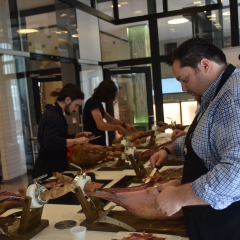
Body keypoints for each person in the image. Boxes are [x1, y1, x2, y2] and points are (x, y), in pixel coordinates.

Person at [150, 38, 240, 240]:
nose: (183, 87)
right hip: (208, 217)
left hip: (228, 223)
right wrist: (169, 149)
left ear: (205, 65)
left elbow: (236, 172)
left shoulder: (233, 96)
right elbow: (204, 138)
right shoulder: (213, 95)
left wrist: (178, 196)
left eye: (184, 79)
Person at [33, 83, 92, 179]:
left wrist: (76, 135)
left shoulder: (58, 114)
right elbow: (51, 141)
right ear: (67, 100)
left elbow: (60, 137)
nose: (76, 109)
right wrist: (76, 141)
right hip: (48, 168)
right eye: (76, 105)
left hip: (55, 165)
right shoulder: (53, 116)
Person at [83, 80, 136, 146]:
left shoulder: (97, 102)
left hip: (99, 141)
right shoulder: (93, 102)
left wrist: (124, 124)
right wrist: (118, 127)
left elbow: (110, 120)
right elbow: (101, 125)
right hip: (93, 143)